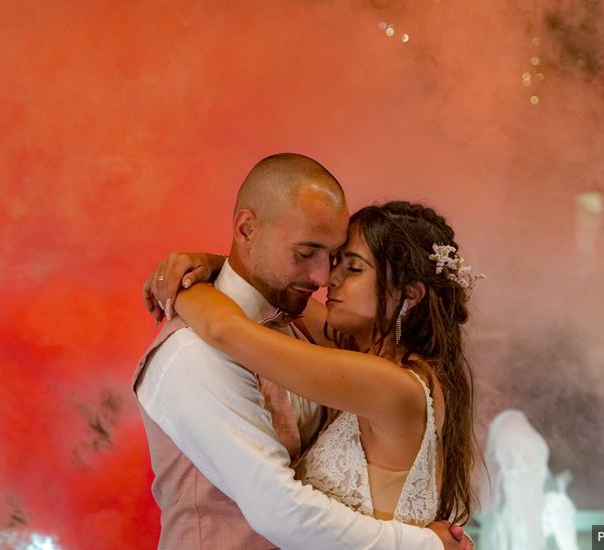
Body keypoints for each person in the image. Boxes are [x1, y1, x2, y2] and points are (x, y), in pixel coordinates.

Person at [134, 153, 472, 549]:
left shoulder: (369, 369)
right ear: (246, 229)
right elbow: (280, 510)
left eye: (345, 264)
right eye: (307, 253)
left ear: (409, 295)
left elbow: (227, 327)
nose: (325, 278)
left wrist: (187, 287)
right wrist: (208, 268)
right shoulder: (191, 353)